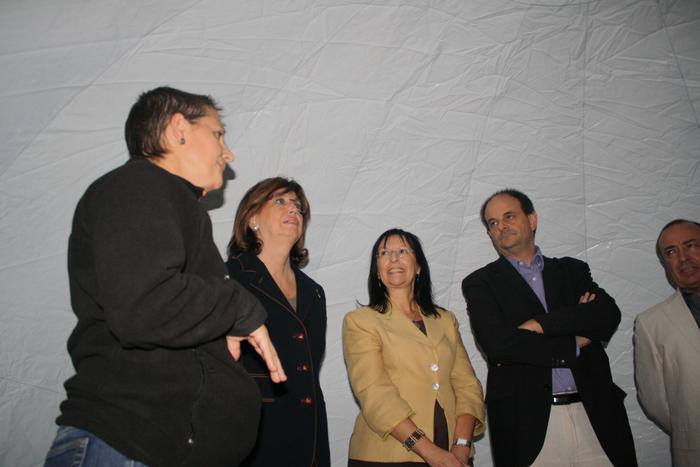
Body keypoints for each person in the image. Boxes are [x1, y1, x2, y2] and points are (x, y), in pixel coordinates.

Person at [44, 87, 286, 467]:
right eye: (218, 134)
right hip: (126, 445)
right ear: (179, 130)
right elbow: (146, 305)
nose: (228, 153)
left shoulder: (171, 203)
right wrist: (237, 305)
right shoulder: (136, 186)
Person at [461, 189, 637, 467]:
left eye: (509, 216)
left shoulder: (572, 271)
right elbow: (499, 347)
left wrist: (538, 325)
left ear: (532, 220)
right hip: (528, 426)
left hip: (596, 417)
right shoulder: (480, 283)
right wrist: (576, 340)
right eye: (493, 223)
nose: (501, 226)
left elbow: (607, 315)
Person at [343, 228, 485, 467]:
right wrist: (431, 453)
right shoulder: (360, 321)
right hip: (387, 457)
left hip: (453, 455)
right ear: (377, 271)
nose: (393, 258)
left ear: (418, 266)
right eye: (383, 253)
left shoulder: (446, 320)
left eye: (402, 251)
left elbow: (467, 386)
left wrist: (462, 447)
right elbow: (375, 394)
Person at [225, 177, 330, 467]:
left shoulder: (314, 292)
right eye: (280, 201)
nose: (294, 210)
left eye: (298, 206)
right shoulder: (229, 279)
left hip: (310, 438)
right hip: (252, 439)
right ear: (252, 218)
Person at [634, 219, 700, 467]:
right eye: (671, 252)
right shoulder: (651, 324)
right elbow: (655, 400)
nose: (683, 258)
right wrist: (690, 428)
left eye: (691, 245)